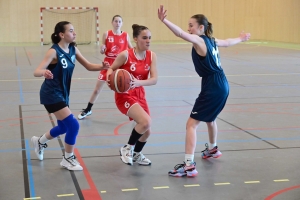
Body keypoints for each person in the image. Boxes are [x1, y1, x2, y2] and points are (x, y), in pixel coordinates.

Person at [157, 5, 251, 177]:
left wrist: (164, 21)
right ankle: (213, 149)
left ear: (201, 28)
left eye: (191, 25)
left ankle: (189, 165)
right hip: (222, 83)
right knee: (210, 117)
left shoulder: (200, 40)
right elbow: (228, 43)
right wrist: (241, 38)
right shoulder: (212, 40)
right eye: (188, 25)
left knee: (191, 125)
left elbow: (179, 34)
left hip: (213, 85)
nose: (188, 28)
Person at [31, 21, 109, 171]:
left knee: (62, 127)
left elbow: (88, 66)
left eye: (74, 30)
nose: (75, 33)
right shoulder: (53, 52)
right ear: (61, 34)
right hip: (51, 94)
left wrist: (102, 66)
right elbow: (37, 70)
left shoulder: (73, 49)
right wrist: (44, 72)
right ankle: (68, 158)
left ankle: (39, 142)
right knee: (73, 125)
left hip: (63, 93)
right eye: (71, 31)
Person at [106, 24, 158, 166]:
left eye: (149, 38)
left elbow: (154, 79)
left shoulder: (152, 56)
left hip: (139, 93)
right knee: (146, 122)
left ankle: (136, 155)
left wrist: (138, 83)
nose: (148, 41)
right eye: (144, 38)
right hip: (124, 95)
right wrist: (109, 79)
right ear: (135, 39)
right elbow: (111, 69)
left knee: (146, 131)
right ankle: (127, 148)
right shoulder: (125, 55)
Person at [78, 15, 133, 120]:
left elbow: (131, 50)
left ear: (122, 23)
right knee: (97, 90)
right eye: (116, 21)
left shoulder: (125, 35)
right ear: (112, 22)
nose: (117, 23)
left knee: (125, 89)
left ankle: (133, 111)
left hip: (120, 64)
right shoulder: (106, 34)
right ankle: (88, 109)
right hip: (107, 64)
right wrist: (102, 49)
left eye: (119, 21)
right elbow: (102, 50)